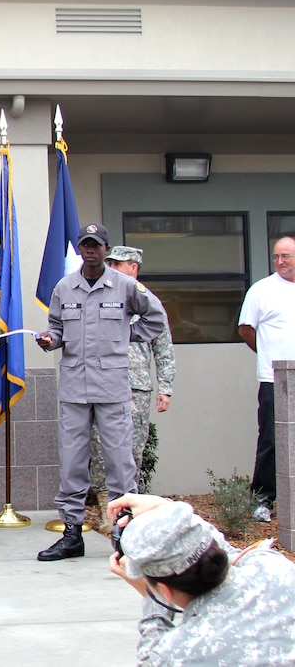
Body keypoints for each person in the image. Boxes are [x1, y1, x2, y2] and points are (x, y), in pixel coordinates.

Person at [35, 222, 167, 562]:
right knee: (71, 463)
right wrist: (50, 340)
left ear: (106, 249)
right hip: (75, 387)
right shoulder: (65, 288)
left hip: (112, 387)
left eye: (96, 245)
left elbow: (156, 319)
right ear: (80, 249)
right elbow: (56, 328)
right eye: (85, 245)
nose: (90, 250)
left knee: (120, 464)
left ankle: (125, 534)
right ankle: (72, 534)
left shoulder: (125, 286)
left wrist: (127, 335)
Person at [107, 493, 295, 665]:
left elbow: (151, 660)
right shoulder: (274, 567)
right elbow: (229, 551)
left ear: (166, 592)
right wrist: (166, 508)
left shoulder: (179, 652)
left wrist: (152, 600)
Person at [89, 246, 175, 534]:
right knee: (100, 449)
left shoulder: (147, 301)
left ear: (134, 268)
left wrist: (166, 388)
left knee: (131, 452)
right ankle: (106, 513)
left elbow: (163, 350)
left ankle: (128, 514)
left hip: (135, 388)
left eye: (118, 263)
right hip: (103, 384)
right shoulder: (102, 297)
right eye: (110, 262)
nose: (112, 267)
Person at [237, 235, 295, 522]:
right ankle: (262, 499)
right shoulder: (262, 290)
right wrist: (267, 354)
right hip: (275, 379)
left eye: (286, 256)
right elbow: (246, 328)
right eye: (276, 257)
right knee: (272, 439)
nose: (281, 262)